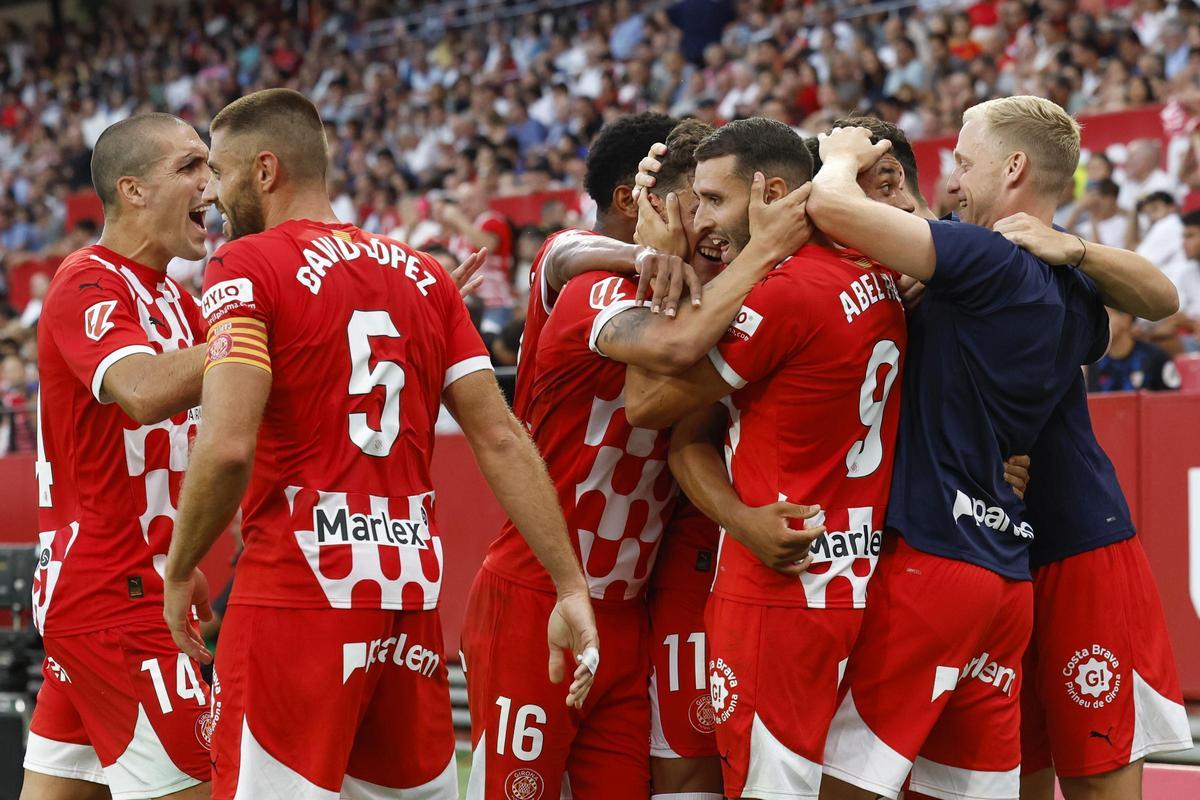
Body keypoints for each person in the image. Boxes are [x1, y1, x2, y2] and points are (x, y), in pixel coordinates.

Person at [161, 88, 599, 800]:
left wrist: (179, 569)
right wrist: (570, 583)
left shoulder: (245, 265)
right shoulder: (425, 276)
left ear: (265, 171)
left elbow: (229, 444)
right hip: (406, 599)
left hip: (296, 595)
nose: (213, 192)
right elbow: (502, 437)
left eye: (222, 170)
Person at [803, 98, 1168, 800]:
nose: (949, 183)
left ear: (1014, 166)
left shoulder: (1015, 263)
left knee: (1089, 776)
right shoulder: (1007, 272)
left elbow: (1161, 297)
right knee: (1006, 771)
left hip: (1073, 541)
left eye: (963, 164)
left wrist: (1078, 245)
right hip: (1005, 543)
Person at [460, 113, 811, 800]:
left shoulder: (703, 298)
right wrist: (662, 254)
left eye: (718, 201)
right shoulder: (595, 282)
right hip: (537, 592)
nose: (710, 222)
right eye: (696, 202)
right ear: (644, 203)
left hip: (626, 608)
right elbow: (565, 257)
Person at [618, 116, 908, 800]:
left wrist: (654, 272)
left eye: (715, 200)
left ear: (773, 192)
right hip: (856, 573)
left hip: (780, 587)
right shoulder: (878, 269)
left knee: (768, 785)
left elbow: (648, 402)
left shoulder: (784, 294)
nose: (704, 218)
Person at [22, 113, 213, 800]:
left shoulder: (176, 302)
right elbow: (140, 390)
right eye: (191, 167)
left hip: (120, 594)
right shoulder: (87, 281)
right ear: (132, 190)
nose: (211, 186)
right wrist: (258, 328)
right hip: (117, 598)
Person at [1087, 306, 1181, 391]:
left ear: (1126, 319)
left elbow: (1173, 398)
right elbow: (1094, 402)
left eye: (1108, 314)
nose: (1100, 323)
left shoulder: (1155, 357)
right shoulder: (1096, 361)